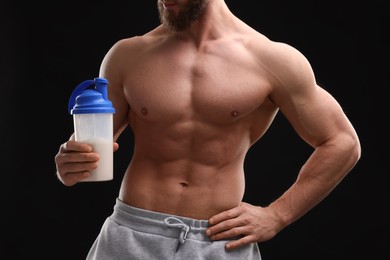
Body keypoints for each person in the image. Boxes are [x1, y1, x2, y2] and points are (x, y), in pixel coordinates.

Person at [54, 0, 361, 259]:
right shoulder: (128, 55)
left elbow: (342, 141)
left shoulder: (271, 59)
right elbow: (94, 141)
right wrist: (71, 162)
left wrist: (277, 215)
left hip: (220, 242)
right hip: (131, 234)